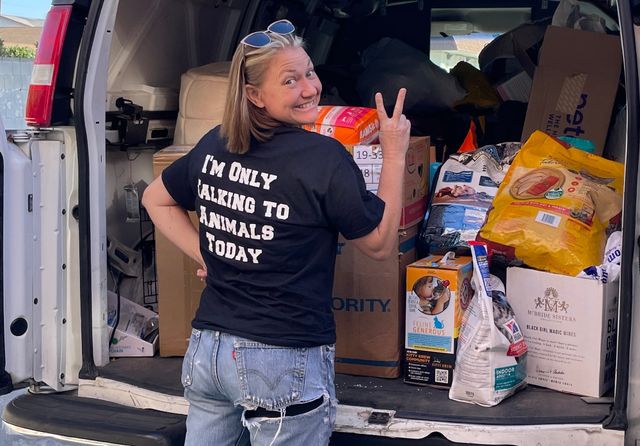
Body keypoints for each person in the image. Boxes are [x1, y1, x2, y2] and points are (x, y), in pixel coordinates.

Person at [142, 19, 410, 446]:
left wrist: (209, 255)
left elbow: (155, 199)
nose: (309, 88)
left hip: (209, 353)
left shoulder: (216, 143)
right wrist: (394, 153)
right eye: (290, 80)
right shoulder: (322, 158)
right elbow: (379, 243)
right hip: (280, 360)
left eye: (308, 71)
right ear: (254, 95)